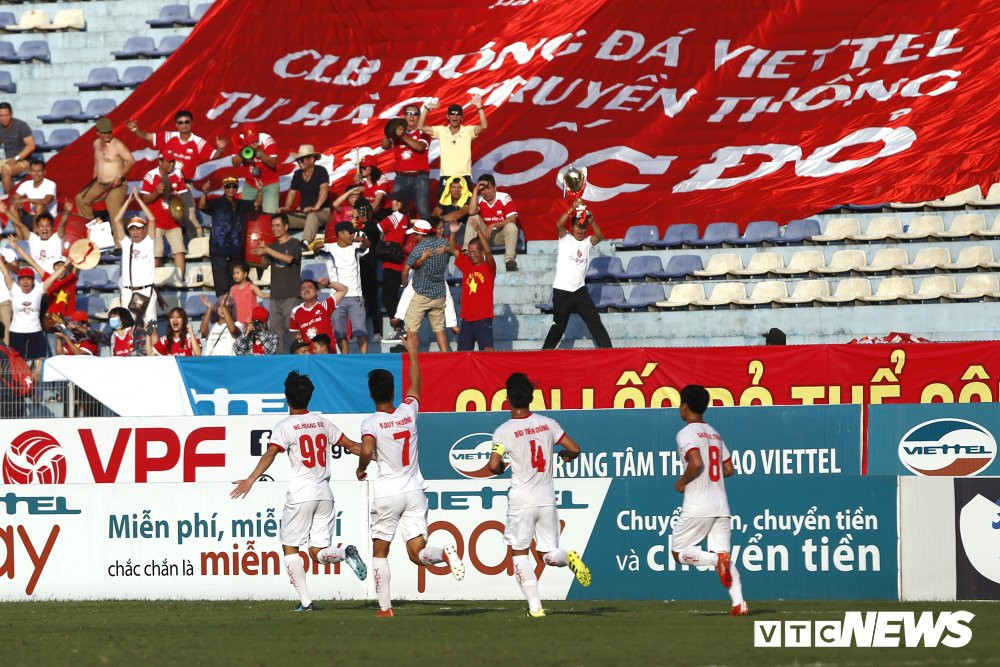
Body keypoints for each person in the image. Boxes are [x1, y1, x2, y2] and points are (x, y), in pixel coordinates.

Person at [231, 371, 369, 611]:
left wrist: (251, 480)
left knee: (290, 547)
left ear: (287, 398)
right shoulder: (322, 423)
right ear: (309, 396)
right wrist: (377, 456)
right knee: (317, 552)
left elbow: (271, 453)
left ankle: (306, 602)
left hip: (302, 494)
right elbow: (352, 446)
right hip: (325, 494)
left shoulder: (285, 426)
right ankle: (343, 553)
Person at [357, 334, 465, 617]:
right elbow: (416, 385)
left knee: (380, 551)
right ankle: (443, 553)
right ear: (393, 392)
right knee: (417, 553)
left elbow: (367, 449)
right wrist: (413, 352)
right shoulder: (408, 410)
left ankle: (385, 609)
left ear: (371, 394)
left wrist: (361, 466)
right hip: (414, 490)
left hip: (389, 492)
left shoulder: (372, 422)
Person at [487, 372, 592, 617]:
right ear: (531, 397)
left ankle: (535, 608)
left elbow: (493, 465)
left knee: (519, 554)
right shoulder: (548, 423)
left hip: (522, 500)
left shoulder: (504, 431)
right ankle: (567, 557)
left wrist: (502, 466)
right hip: (546, 499)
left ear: (508, 399)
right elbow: (574, 448)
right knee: (547, 555)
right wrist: (569, 456)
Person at [670, 384, 748, 616]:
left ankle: (716, 561)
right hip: (721, 504)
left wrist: (683, 482)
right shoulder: (714, 433)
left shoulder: (686, 433)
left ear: (684, 407)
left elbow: (695, 462)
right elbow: (729, 468)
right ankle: (739, 603)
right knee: (724, 554)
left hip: (699, 504)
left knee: (678, 552)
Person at [126, 109, 214, 238]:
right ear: (176, 125)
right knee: (162, 216)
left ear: (192, 123)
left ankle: (199, 248)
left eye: (187, 122)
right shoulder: (169, 136)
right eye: (181, 122)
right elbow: (147, 137)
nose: (184, 125)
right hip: (165, 183)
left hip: (184, 185)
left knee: (190, 218)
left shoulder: (198, 141)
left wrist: (221, 149)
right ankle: (159, 249)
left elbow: (214, 154)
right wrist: (135, 130)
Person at [541, 206, 612, 350]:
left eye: (584, 227)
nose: (581, 231)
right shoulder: (565, 238)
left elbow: (600, 236)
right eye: (578, 227)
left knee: (594, 321)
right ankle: (544, 354)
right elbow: (558, 224)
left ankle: (609, 351)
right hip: (562, 290)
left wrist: (592, 223)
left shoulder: (586, 243)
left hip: (579, 290)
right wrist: (572, 208)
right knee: (558, 326)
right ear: (572, 226)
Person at [198, 176, 263, 297]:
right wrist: (204, 193)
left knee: (236, 289)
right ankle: (223, 314)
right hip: (219, 251)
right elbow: (202, 206)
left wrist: (259, 191)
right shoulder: (217, 203)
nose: (231, 189)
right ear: (224, 187)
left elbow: (257, 203)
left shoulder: (242, 204)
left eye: (234, 186)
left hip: (236, 252)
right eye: (228, 186)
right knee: (222, 290)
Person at [418, 94, 486, 192]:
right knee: (443, 207)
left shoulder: (468, 130)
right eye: (452, 114)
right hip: (446, 176)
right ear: (448, 116)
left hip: (464, 176)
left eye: (458, 114)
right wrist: (426, 108)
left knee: (465, 206)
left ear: (462, 117)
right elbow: (421, 127)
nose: (455, 116)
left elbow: (484, 126)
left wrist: (479, 106)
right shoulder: (441, 130)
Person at [253, 213, 300, 353]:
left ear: (286, 226)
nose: (274, 228)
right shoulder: (272, 246)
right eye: (273, 226)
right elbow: (264, 265)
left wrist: (268, 250)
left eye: (278, 225)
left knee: (291, 330)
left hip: (291, 294)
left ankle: (295, 362)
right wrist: (262, 253)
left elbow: (289, 259)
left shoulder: (294, 243)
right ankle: (280, 364)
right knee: (275, 333)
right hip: (275, 295)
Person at [402, 218, 450, 352]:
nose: (414, 237)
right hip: (439, 293)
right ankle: (446, 357)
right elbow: (452, 247)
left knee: (412, 329)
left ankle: (413, 359)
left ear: (420, 235)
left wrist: (404, 285)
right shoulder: (443, 243)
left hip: (422, 294)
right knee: (439, 329)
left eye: (415, 234)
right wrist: (446, 249)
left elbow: (405, 271)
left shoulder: (418, 250)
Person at [0, 262, 67, 360]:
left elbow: (54, 277)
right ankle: (22, 376)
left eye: (28, 279)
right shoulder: (14, 290)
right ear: (18, 281)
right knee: (16, 361)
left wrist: (67, 263)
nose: (25, 282)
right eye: (22, 279)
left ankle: (35, 376)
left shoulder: (39, 290)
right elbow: (5, 273)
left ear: (33, 281)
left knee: (39, 360)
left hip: (35, 331)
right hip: (16, 332)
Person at [111, 190, 158, 326]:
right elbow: (116, 220)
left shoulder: (149, 242)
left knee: (151, 328)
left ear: (144, 230)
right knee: (126, 328)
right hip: (128, 291)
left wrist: (139, 200)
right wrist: (127, 202)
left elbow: (153, 219)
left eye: (138, 228)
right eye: (132, 229)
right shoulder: (126, 243)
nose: (135, 232)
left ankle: (152, 348)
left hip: (146, 290)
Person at [448, 218, 495, 351]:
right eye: (469, 251)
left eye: (475, 252)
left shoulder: (489, 267)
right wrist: (453, 233)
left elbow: (488, 252)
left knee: (487, 352)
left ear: (481, 253)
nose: (471, 255)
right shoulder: (467, 264)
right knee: (463, 354)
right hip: (467, 319)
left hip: (483, 318)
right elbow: (453, 249)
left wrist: (479, 230)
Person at [75, 117, 135, 222]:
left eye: (109, 132)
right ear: (97, 132)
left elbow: (131, 161)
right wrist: (95, 178)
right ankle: (92, 228)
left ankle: (119, 238)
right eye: (104, 132)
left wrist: (120, 177)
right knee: (81, 199)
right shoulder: (96, 144)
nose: (107, 134)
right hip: (100, 184)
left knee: (113, 210)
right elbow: (97, 162)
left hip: (117, 184)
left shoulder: (117, 145)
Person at [141, 150, 188, 281]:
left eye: (173, 161)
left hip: (174, 221)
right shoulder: (150, 175)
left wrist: (177, 201)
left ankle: (179, 280)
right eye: (169, 161)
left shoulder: (178, 174)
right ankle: (156, 281)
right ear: (160, 161)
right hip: (155, 223)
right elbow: (145, 199)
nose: (172, 164)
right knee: (157, 253)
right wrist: (156, 192)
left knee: (179, 250)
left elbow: (182, 196)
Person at [324, 221, 370, 354]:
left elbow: (367, 245)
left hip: (355, 296)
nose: (352, 235)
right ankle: (345, 358)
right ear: (340, 234)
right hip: (337, 298)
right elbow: (315, 248)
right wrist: (317, 245)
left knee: (360, 330)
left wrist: (362, 239)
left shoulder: (355, 247)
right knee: (340, 332)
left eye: (353, 232)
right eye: (350, 232)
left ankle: (364, 358)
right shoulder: (329, 248)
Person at [381, 103, 431, 219]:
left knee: (423, 210)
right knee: (397, 210)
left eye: (415, 114)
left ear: (419, 117)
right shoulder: (396, 134)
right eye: (408, 113)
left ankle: (430, 236)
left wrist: (402, 135)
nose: (411, 116)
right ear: (404, 116)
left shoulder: (423, 132)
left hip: (420, 178)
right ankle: (399, 236)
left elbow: (419, 147)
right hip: (401, 178)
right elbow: (385, 146)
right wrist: (389, 132)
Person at [217, 125, 280, 213]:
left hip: (269, 183)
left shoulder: (267, 139)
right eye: (249, 140)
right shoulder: (239, 140)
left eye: (254, 140)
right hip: (251, 183)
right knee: (244, 213)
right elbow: (235, 164)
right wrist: (242, 152)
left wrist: (258, 152)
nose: (252, 143)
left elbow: (273, 164)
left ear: (258, 134)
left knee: (270, 213)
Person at [467, 173, 520, 271]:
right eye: (482, 189)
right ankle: (467, 253)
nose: (485, 192)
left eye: (488, 188)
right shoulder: (479, 199)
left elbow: (513, 219)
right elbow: (471, 212)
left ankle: (509, 260)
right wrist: (475, 190)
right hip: (484, 236)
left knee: (511, 226)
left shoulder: (504, 197)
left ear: (495, 187)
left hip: (500, 235)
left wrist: (494, 224)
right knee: (473, 218)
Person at [280, 144, 330, 247]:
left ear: (312, 159)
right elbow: (292, 193)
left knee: (312, 216)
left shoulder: (321, 171)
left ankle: (305, 244)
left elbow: (324, 190)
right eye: (298, 160)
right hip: (304, 214)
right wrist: (286, 208)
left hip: (322, 211)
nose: (299, 162)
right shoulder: (297, 174)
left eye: (302, 159)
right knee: (281, 218)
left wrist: (315, 207)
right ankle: (278, 244)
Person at [377, 194, 409, 342]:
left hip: (392, 262)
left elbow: (377, 227)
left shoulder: (396, 216)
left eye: (397, 200)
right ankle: (399, 329)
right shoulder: (405, 218)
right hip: (397, 262)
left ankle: (398, 329)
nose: (393, 203)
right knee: (391, 295)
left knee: (387, 296)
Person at [8, 206, 66, 274]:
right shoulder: (33, 239)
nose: (45, 229)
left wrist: (67, 213)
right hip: (37, 279)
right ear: (37, 229)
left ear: (52, 228)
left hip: (54, 278)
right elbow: (20, 225)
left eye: (48, 226)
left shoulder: (57, 238)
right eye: (42, 226)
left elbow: (62, 224)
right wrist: (6, 211)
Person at [290, 278, 347, 346]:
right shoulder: (295, 311)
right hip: (309, 356)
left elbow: (344, 289)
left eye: (310, 287)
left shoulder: (324, 305)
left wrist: (328, 283)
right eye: (303, 288)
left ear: (317, 292)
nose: (306, 290)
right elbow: (298, 336)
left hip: (328, 354)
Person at [0, 102, 36, 196]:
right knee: (5, 166)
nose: (3, 118)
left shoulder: (21, 126)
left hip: (24, 161)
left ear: (11, 114)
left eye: (6, 115)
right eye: (1, 116)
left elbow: (31, 145)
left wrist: (16, 158)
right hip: (7, 160)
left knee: (5, 169)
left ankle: (11, 199)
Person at [11, 158, 57, 224]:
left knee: (39, 206)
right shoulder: (26, 184)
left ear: (44, 172)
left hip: (48, 218)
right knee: (12, 207)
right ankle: (20, 233)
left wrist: (26, 200)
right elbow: (13, 198)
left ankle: (36, 233)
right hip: (32, 215)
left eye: (39, 171)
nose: (36, 174)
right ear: (30, 172)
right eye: (33, 171)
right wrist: (16, 202)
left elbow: (45, 201)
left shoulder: (51, 184)